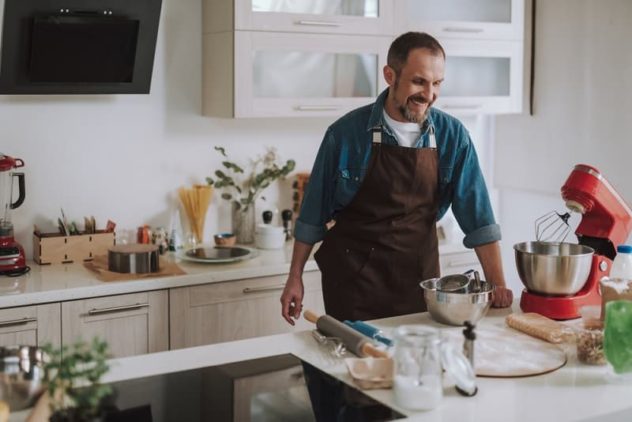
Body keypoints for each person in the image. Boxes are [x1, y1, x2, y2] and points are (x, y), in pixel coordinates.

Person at [280, 31, 513, 325]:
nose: (429, 95)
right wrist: (294, 278)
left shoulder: (452, 136)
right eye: (419, 81)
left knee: (416, 364)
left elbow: (479, 219)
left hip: (419, 280)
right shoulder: (345, 135)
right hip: (353, 283)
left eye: (437, 83)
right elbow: (312, 216)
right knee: (357, 366)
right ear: (390, 75)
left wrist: (499, 284)